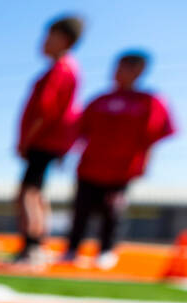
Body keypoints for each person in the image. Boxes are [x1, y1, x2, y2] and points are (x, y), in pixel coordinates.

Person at [62, 51, 175, 270]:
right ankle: (72, 249)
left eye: (124, 67)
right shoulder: (99, 100)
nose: (117, 72)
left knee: (112, 210)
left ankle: (106, 250)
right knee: (81, 208)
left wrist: (145, 163)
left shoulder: (149, 101)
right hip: (90, 165)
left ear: (139, 70)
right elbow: (79, 131)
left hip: (122, 168)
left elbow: (154, 135)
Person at [11, 16, 84, 268]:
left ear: (64, 40)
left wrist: (26, 140)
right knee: (37, 192)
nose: (43, 42)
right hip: (51, 141)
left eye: (49, 36)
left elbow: (46, 111)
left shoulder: (61, 69)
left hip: (44, 141)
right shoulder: (65, 69)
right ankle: (39, 244)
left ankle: (32, 246)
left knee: (28, 193)